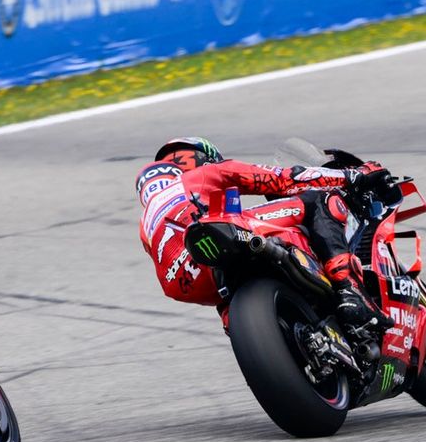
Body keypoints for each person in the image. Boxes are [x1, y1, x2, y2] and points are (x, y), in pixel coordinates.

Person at [137, 137, 394, 331]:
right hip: (218, 236)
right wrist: (352, 176)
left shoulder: (146, 223)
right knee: (316, 199)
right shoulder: (203, 175)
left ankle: (240, 325)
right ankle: (348, 290)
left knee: (226, 292)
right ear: (200, 158)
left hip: (182, 282)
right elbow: (285, 179)